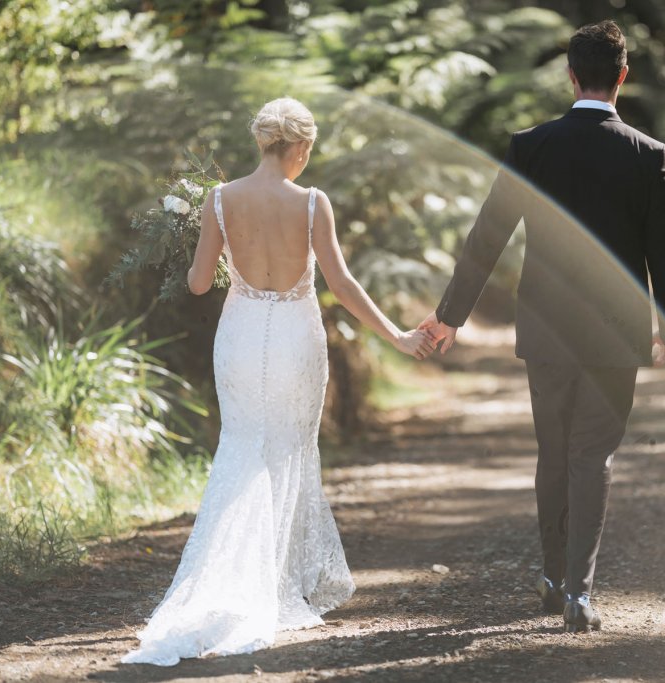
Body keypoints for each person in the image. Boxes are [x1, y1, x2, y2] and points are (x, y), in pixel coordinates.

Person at [123, 97, 435, 666]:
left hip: (240, 336)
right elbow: (340, 283)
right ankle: (269, 584)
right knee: (288, 449)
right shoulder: (313, 203)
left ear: (261, 142)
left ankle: (225, 582)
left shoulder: (219, 199)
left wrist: (206, 242)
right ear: (301, 148)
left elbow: (196, 285)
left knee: (241, 446)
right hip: (295, 337)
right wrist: (396, 335)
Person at [419, 20, 665, 633]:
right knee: (592, 455)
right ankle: (580, 594)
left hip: (546, 327)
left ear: (570, 75)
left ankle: (551, 577)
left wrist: (449, 317)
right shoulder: (649, 155)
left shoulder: (531, 145)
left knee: (553, 452)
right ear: (623, 75)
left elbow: (488, 235)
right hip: (616, 331)